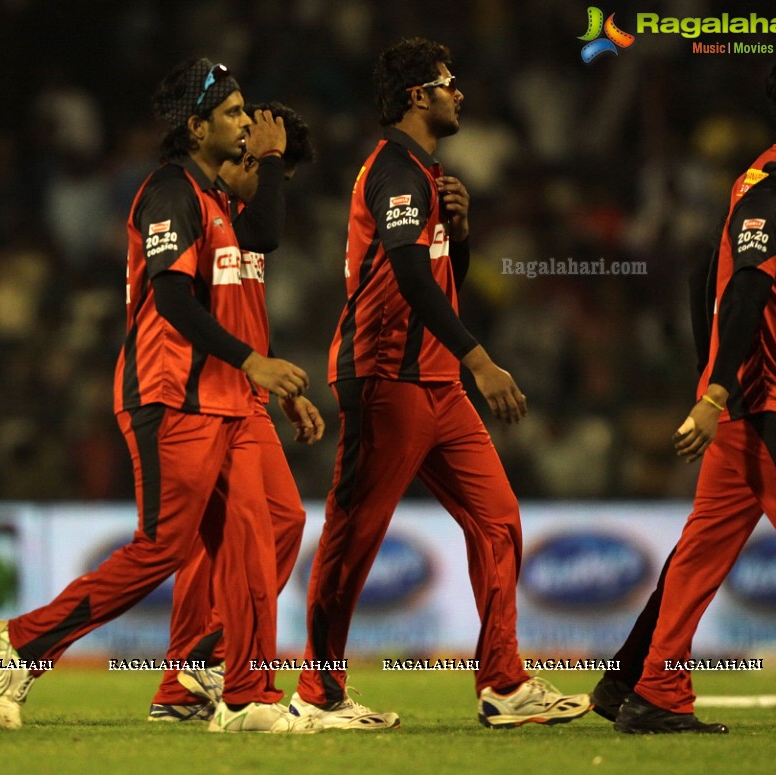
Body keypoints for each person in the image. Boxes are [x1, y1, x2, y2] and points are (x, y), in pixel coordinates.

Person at [0, 58, 319, 734]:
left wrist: (263, 371)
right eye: (233, 113)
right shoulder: (170, 191)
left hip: (230, 397)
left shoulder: (226, 201)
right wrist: (254, 360)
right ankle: (24, 642)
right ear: (197, 128)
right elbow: (170, 298)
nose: (246, 124)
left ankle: (236, 688)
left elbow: (260, 249)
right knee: (162, 546)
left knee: (273, 527)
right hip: (171, 394)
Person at [289, 37, 592, 730]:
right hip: (386, 378)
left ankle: (504, 684)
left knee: (498, 516)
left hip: (436, 382)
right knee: (354, 536)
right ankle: (317, 692)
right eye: (449, 82)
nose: (461, 94)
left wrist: (458, 234)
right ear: (418, 95)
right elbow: (404, 273)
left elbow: (434, 270)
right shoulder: (395, 171)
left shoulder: (425, 176)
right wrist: (480, 359)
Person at [591, 52, 776, 722]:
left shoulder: (768, 193)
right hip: (766, 411)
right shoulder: (773, 201)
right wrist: (717, 390)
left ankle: (655, 688)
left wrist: (714, 378)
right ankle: (649, 684)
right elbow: (742, 291)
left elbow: (703, 276)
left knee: (697, 557)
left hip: (749, 410)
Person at [147, 102, 325, 723]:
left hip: (246, 388)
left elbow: (244, 303)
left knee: (280, 521)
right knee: (219, 539)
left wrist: (280, 381)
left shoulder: (235, 215)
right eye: (271, 175)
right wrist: (270, 163)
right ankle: (198, 672)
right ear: (247, 158)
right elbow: (192, 295)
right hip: (201, 391)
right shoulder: (203, 204)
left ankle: (197, 664)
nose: (275, 193)